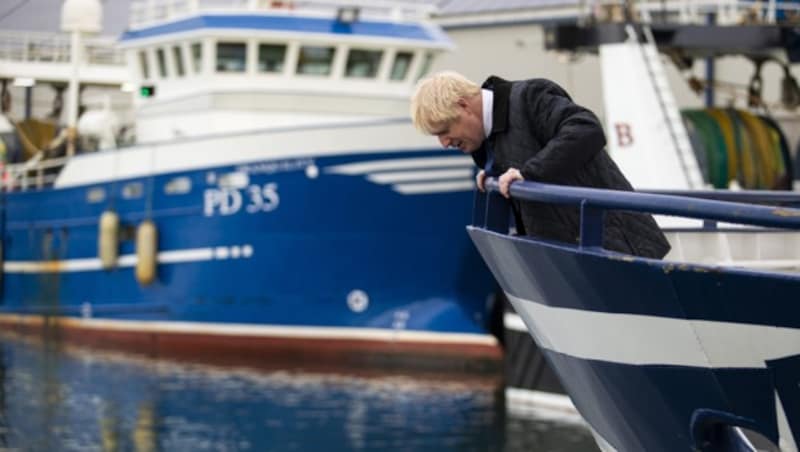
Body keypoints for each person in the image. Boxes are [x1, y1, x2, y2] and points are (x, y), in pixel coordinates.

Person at [410, 70, 670, 259]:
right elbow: (515, 153)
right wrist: (491, 172)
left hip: (621, 251)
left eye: (444, 130)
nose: (443, 143)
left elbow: (586, 128)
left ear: (464, 106)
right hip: (578, 259)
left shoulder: (530, 97)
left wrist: (529, 173)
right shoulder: (489, 138)